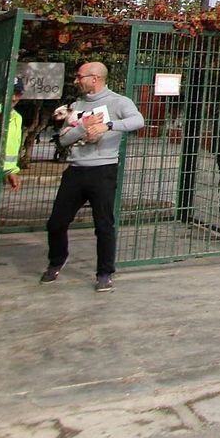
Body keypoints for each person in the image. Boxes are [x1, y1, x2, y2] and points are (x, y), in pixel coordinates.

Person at [42, 62, 144, 292]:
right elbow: (64, 139)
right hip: (76, 169)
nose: (77, 80)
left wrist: (107, 126)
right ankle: (57, 260)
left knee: (104, 224)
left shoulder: (118, 101)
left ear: (95, 78)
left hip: (103, 170)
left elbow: (138, 121)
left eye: (80, 76)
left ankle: (105, 273)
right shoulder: (77, 105)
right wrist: (82, 128)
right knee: (57, 222)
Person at [1, 77, 24, 191]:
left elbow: (11, 148)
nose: (14, 98)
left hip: (0, 174)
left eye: (18, 93)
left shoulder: (17, 117)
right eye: (10, 93)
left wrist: (12, 171)